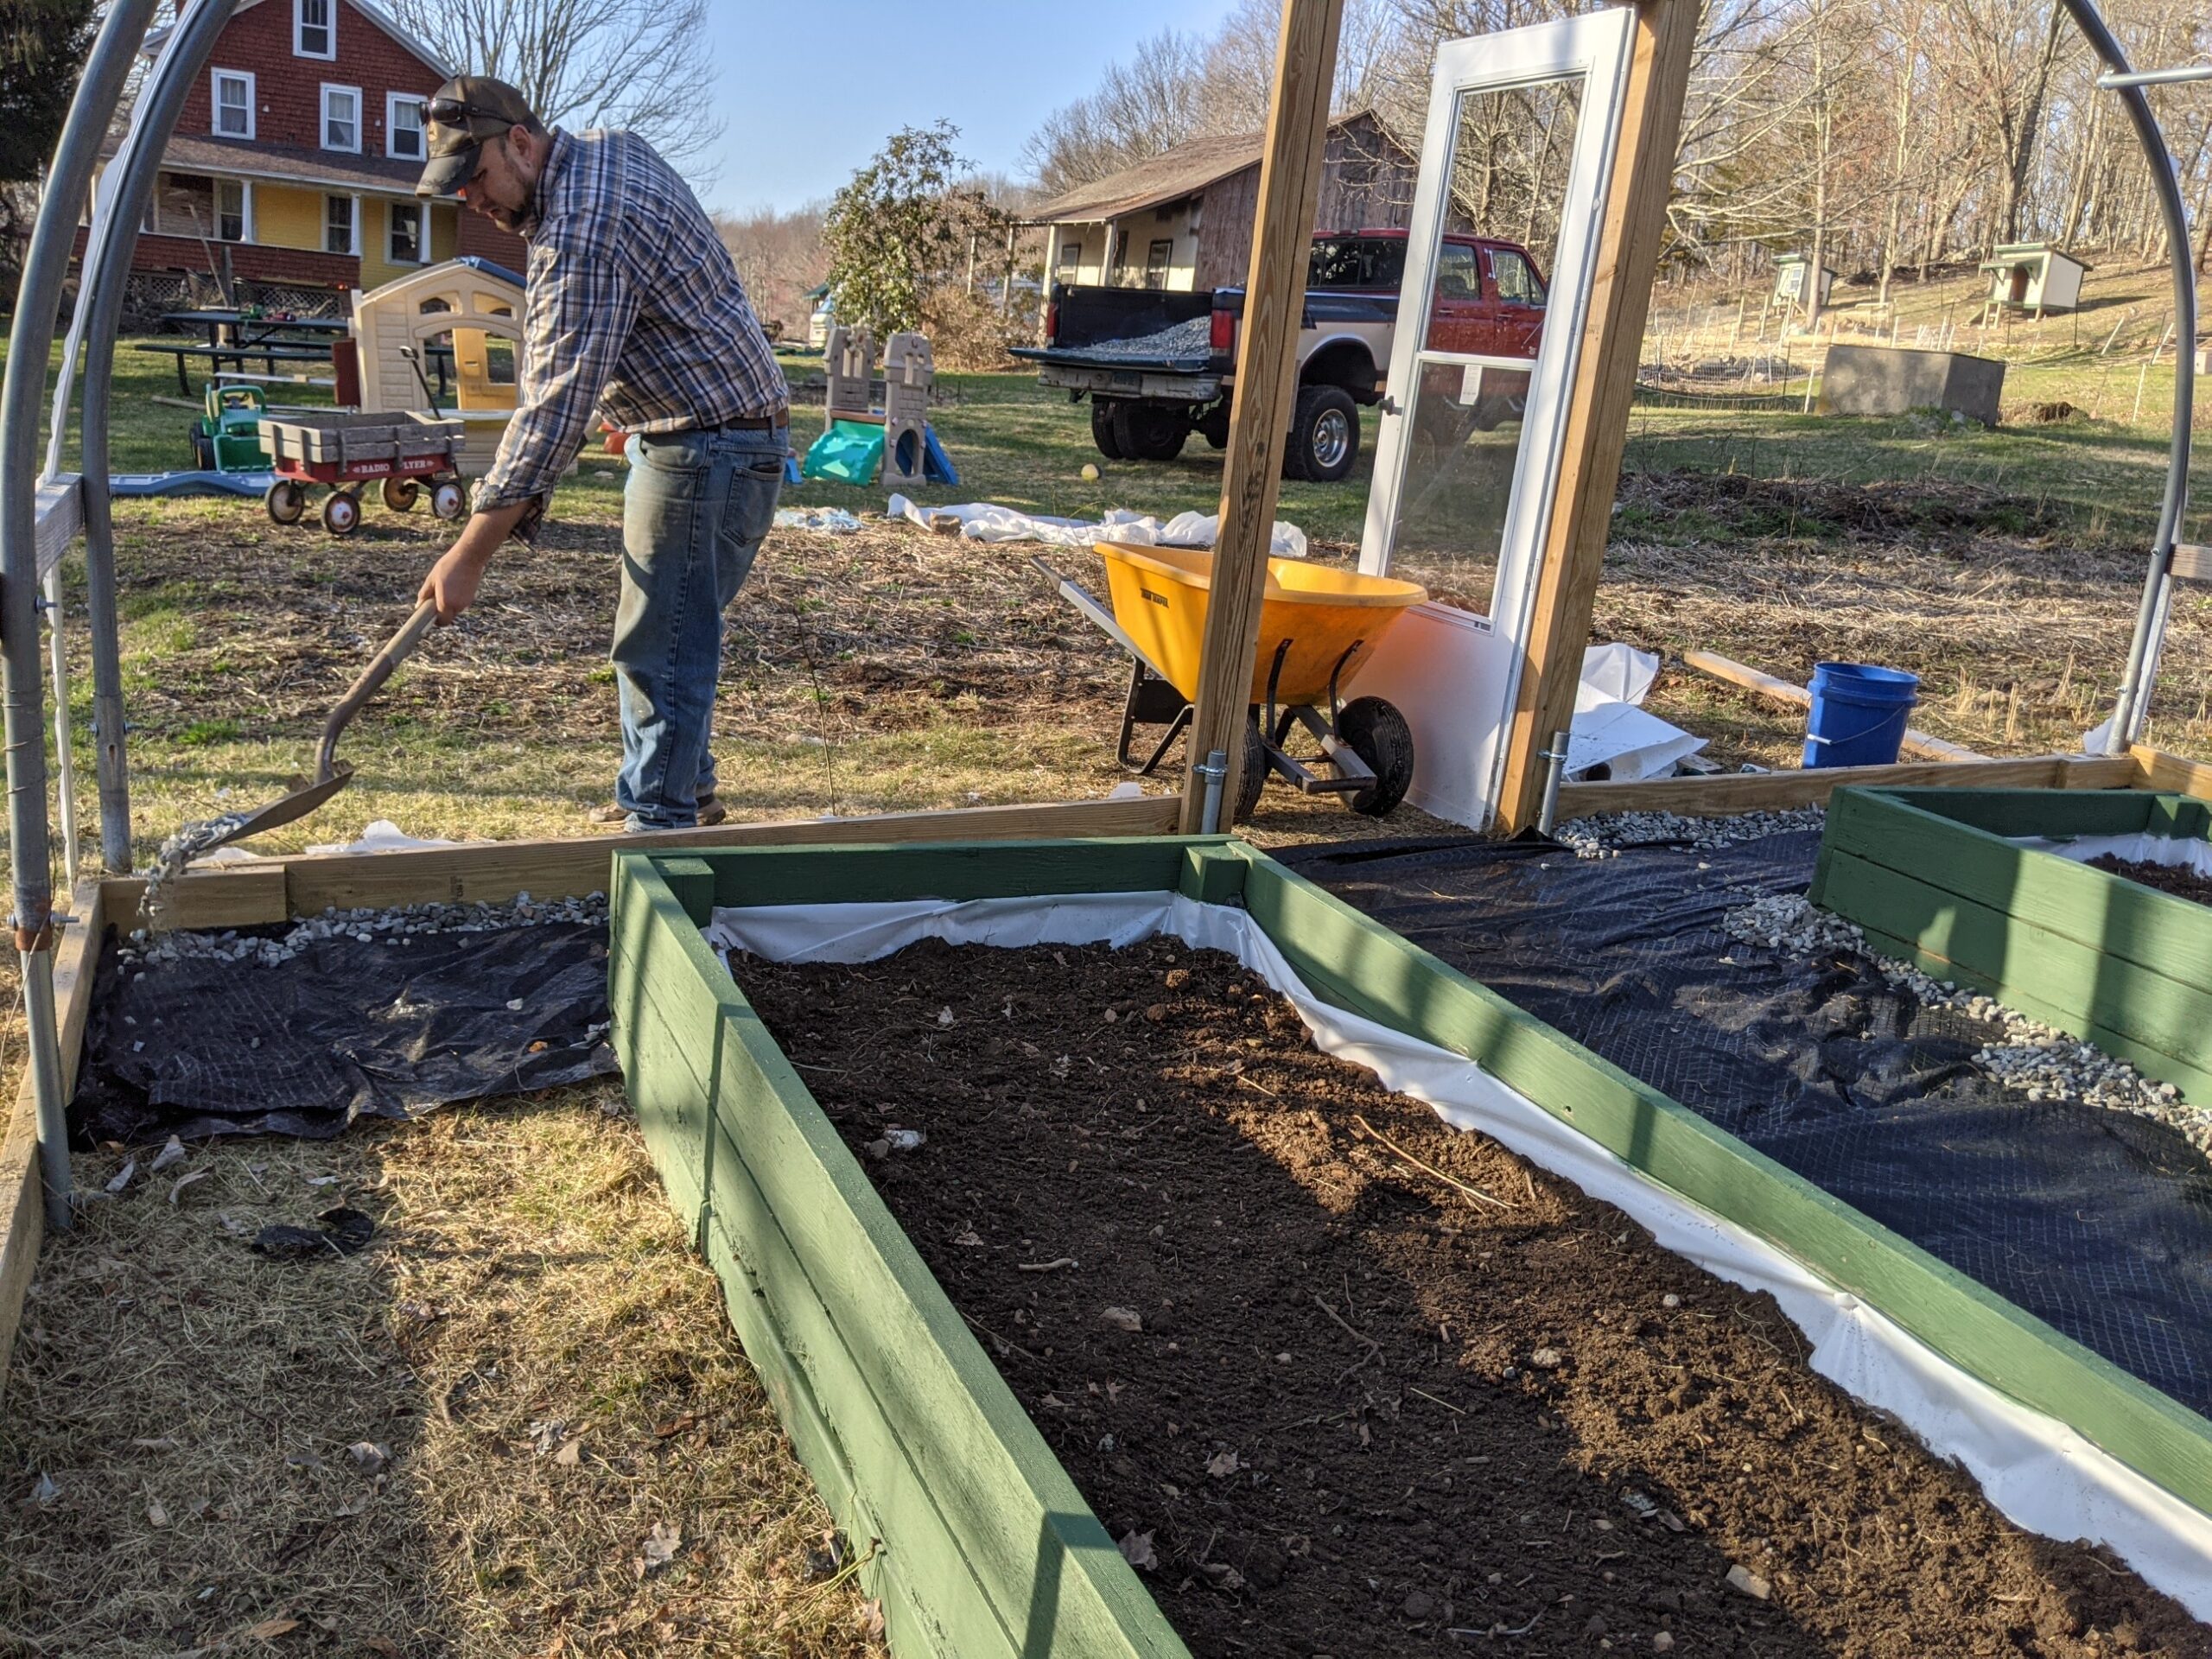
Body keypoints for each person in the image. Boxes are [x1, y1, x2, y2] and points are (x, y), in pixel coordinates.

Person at [410, 77, 788, 831]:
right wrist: (638, 405)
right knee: (676, 633)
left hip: (708, 448)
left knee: (661, 647)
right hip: (726, 434)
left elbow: (551, 411)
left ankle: (657, 827)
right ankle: (688, 796)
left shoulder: (582, 227)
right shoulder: (612, 154)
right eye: (458, 188)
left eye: (476, 176)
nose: (473, 201)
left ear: (520, 141)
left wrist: (470, 554)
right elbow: (678, 293)